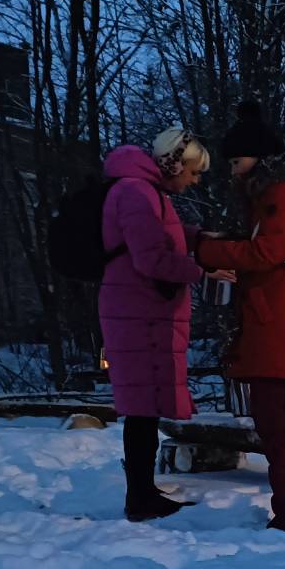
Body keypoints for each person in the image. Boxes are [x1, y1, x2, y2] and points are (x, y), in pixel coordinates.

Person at [197, 102, 285, 535]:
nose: (233, 172)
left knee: (279, 420)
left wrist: (208, 251)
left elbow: (268, 252)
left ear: (257, 159)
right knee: (275, 419)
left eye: (237, 162)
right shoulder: (272, 196)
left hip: (284, 323)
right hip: (278, 319)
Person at [99, 128, 236, 522]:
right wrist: (203, 271)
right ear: (174, 164)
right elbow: (150, 258)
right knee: (140, 408)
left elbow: (157, 236)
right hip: (137, 311)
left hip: (141, 309)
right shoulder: (136, 193)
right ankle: (140, 497)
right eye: (193, 172)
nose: (194, 180)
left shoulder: (146, 193)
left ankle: (143, 492)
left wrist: (197, 237)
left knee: (144, 406)